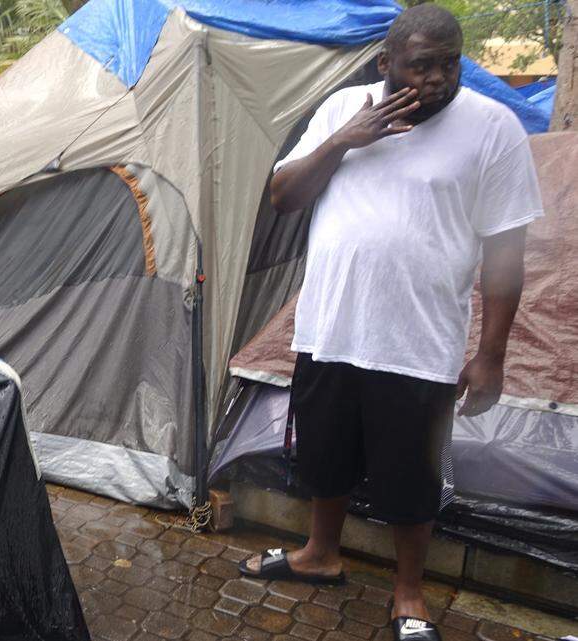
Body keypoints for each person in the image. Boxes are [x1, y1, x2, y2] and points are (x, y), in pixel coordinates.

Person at [238, 5, 543, 641]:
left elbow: (506, 255)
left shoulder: (493, 128)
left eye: (449, 63)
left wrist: (491, 355)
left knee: (412, 474)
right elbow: (283, 196)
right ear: (386, 63)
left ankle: (409, 593)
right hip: (331, 329)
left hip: (419, 344)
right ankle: (320, 556)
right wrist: (345, 140)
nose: (436, 78)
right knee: (324, 457)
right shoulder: (339, 111)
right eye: (421, 64)